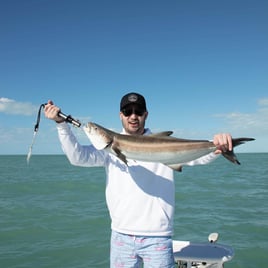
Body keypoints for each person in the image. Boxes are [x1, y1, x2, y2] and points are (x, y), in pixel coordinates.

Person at [44, 92, 233, 268]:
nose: (133, 116)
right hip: (121, 236)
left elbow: (198, 156)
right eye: (128, 112)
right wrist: (61, 125)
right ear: (121, 115)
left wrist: (218, 146)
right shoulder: (108, 150)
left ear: (146, 115)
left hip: (157, 237)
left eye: (138, 111)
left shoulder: (163, 143)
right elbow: (77, 157)